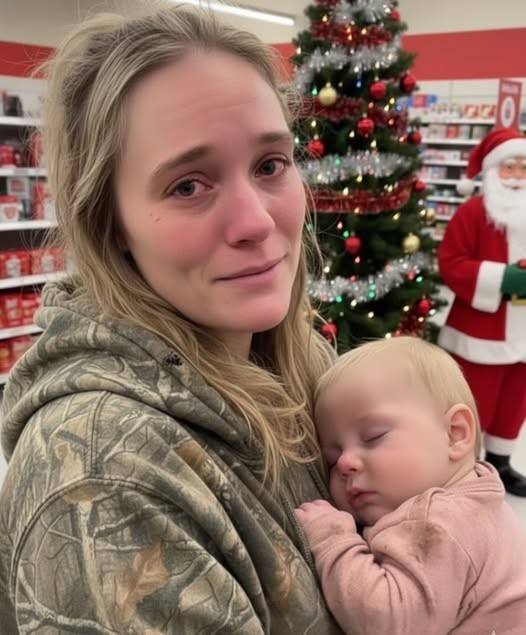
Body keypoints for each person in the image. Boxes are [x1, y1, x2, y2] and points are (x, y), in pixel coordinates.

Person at [0, 5, 343, 633]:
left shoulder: (297, 360)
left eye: (270, 165)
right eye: (188, 185)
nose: (257, 221)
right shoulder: (107, 477)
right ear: (110, 223)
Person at [295, 337, 526, 635]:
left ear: (455, 434)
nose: (344, 463)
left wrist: (332, 539)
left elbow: (391, 624)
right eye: (332, 458)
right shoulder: (477, 497)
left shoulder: (442, 522)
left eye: (374, 436)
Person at [439, 127, 526, 496]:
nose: (517, 176)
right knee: (475, 402)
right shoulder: (472, 213)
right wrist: (503, 278)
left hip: (523, 333)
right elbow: (451, 262)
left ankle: (501, 462)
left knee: (515, 402)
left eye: (523, 168)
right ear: (493, 171)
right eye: (509, 167)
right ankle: (465, 466)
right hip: (479, 332)